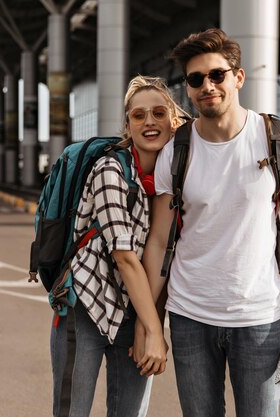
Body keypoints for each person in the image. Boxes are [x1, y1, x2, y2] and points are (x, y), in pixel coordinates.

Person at [141, 28, 280, 417]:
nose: (207, 86)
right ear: (188, 88)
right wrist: (150, 323)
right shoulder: (177, 151)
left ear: (238, 77)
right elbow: (157, 241)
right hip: (189, 316)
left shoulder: (276, 140)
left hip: (258, 319)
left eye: (217, 74)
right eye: (196, 79)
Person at [51, 75, 187, 417]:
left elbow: (164, 260)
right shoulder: (109, 170)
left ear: (173, 120)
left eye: (158, 113)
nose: (149, 122)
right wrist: (155, 332)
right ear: (127, 125)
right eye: (139, 116)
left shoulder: (176, 180)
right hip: (84, 308)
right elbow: (125, 258)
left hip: (133, 312)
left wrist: (145, 323)